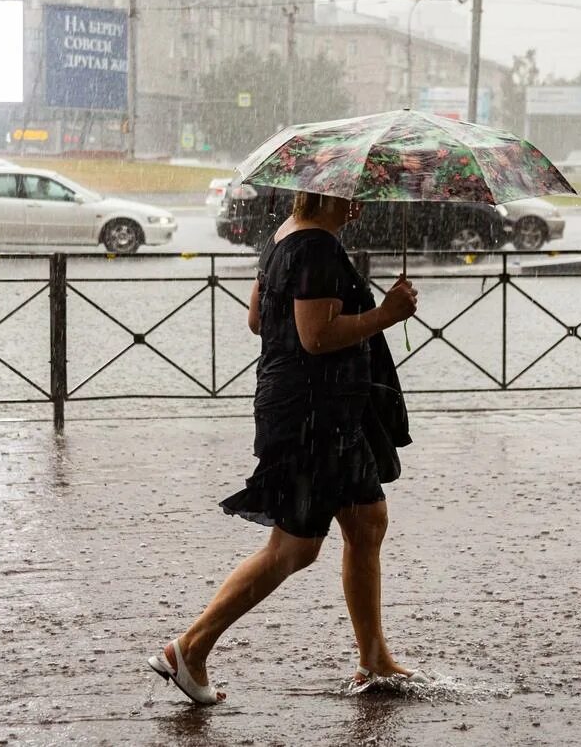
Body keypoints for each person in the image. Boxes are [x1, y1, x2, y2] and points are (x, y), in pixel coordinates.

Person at [148, 191, 419, 705]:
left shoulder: (283, 236)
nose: (358, 208)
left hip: (326, 410)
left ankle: (374, 657)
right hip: (311, 415)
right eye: (351, 199)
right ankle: (189, 647)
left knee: (366, 521)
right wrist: (386, 314)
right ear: (326, 196)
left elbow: (257, 319)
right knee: (293, 546)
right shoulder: (316, 247)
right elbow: (315, 336)